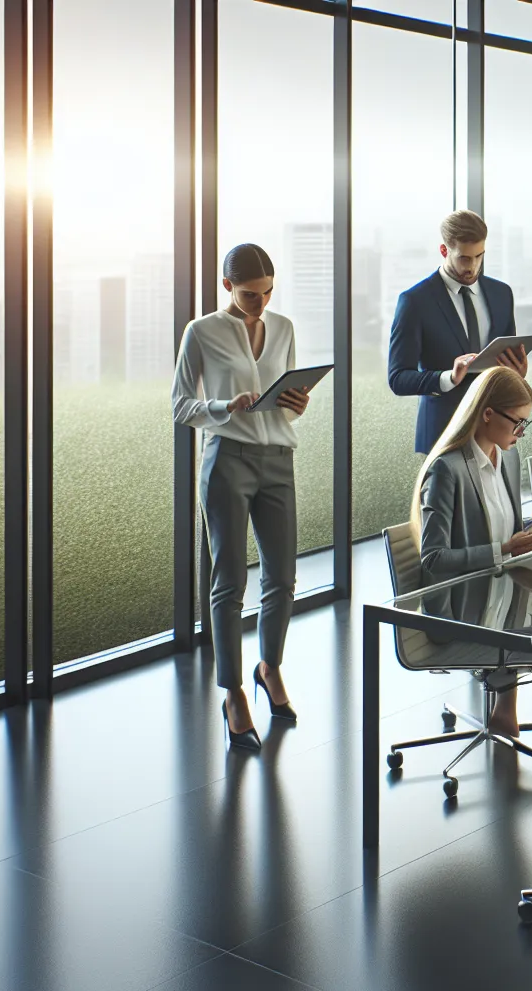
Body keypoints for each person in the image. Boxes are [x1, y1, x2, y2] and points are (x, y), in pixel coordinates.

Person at [172, 243, 311, 750]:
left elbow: (288, 409)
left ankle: (269, 667)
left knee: (283, 577)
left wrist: (297, 403)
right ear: (227, 286)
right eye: (252, 294)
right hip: (227, 460)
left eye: (269, 292)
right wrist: (223, 406)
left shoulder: (285, 328)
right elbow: (180, 405)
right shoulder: (201, 331)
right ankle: (233, 693)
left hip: (279, 459)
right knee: (228, 582)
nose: (261, 302)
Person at [410, 366, 532, 736]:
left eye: (526, 423)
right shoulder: (447, 470)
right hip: (461, 607)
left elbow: (502, 524)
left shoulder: (506, 456)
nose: (520, 432)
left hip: (500, 590)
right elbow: (433, 559)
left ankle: (517, 710)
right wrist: (503, 549)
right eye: (517, 422)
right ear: (488, 413)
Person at [388, 209, 524, 454]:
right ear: (444, 251)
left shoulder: (502, 294)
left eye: (479, 256)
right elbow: (398, 378)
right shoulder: (415, 302)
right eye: (464, 258)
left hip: (493, 435)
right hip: (443, 436)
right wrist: (448, 378)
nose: (472, 266)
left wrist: (517, 373)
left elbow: (506, 360)